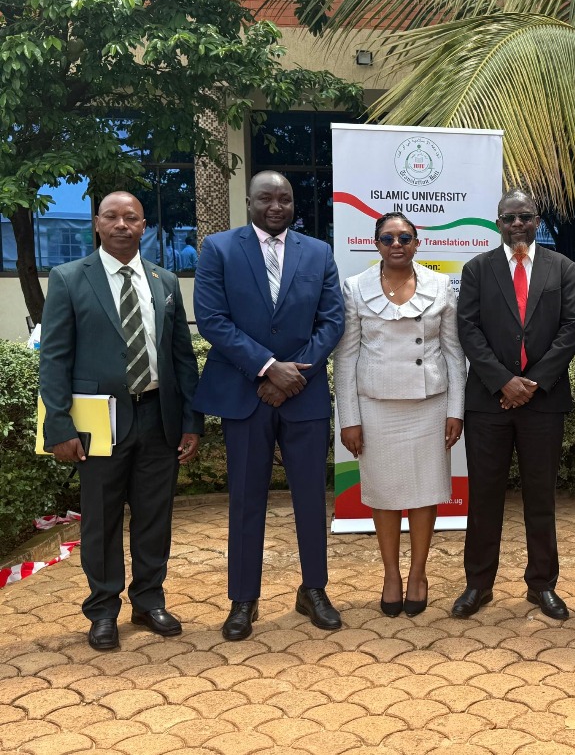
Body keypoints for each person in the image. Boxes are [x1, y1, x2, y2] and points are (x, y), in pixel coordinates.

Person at [39, 192, 202, 651]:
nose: (121, 225)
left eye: (131, 218)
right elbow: (54, 359)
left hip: (157, 418)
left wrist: (191, 420)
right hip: (98, 423)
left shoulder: (164, 280)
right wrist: (61, 427)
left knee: (155, 517)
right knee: (102, 519)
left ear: (144, 225)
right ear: (97, 223)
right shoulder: (70, 279)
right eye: (111, 217)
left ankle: (149, 601)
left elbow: (180, 358)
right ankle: (103, 609)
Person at [193, 170, 345, 641]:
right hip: (245, 394)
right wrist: (265, 367)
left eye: (285, 198)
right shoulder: (218, 249)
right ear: (248, 201)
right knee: (245, 499)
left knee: (310, 500)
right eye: (266, 198)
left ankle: (313, 590)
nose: (276, 206)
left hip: (304, 393)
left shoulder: (318, 252)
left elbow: (332, 319)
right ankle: (243, 599)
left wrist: (293, 373)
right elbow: (212, 320)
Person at [452, 189, 575, 620]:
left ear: (537, 220)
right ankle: (478, 585)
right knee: (485, 497)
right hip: (489, 403)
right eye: (509, 218)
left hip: (542, 402)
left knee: (540, 497)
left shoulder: (561, 267)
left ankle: (542, 585)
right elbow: (468, 329)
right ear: (498, 223)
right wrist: (504, 382)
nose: (517, 225)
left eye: (525, 217)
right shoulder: (477, 269)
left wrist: (533, 383)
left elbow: (571, 327)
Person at [334, 214, 466, 617]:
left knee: (426, 492)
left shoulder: (440, 285)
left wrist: (455, 410)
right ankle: (391, 574)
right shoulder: (355, 288)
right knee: (385, 494)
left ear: (416, 243)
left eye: (404, 237)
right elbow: (347, 356)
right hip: (375, 406)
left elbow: (454, 352)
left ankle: (419, 573)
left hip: (429, 403)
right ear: (375, 243)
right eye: (388, 237)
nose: (397, 244)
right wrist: (348, 417)